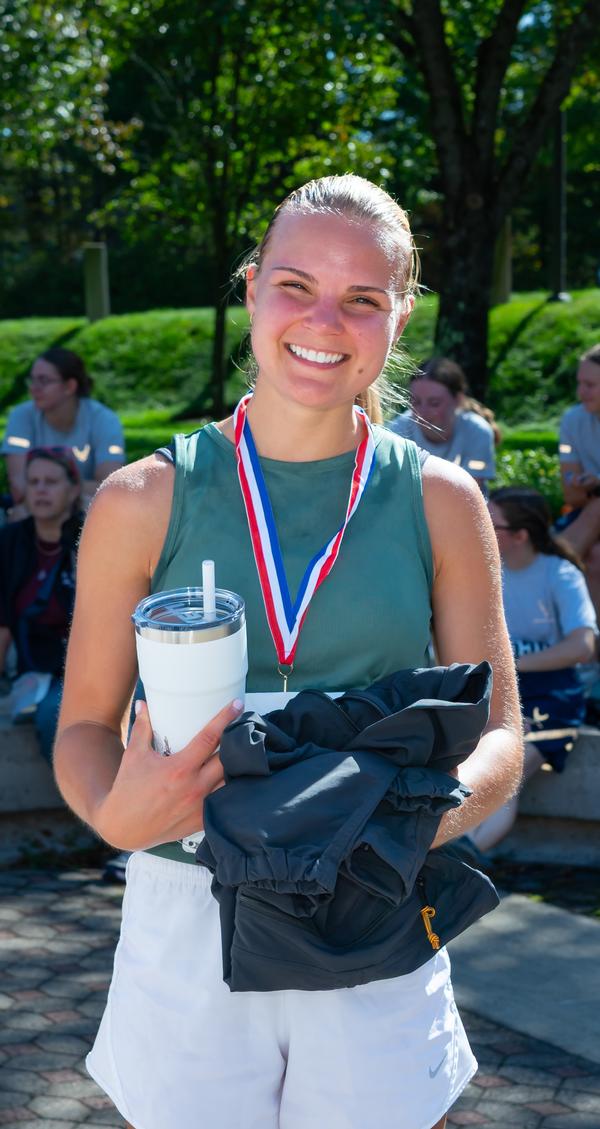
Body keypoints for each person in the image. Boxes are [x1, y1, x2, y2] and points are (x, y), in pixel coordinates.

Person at [54, 174, 522, 1129]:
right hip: (191, 906)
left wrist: (399, 826)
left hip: (368, 907)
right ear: (252, 286)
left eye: (363, 298)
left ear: (400, 317)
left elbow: (503, 737)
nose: (323, 320)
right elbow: (84, 727)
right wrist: (112, 811)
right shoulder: (142, 499)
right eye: (295, 285)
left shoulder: (441, 502)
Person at [467, 487, 598, 853]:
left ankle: (462, 862)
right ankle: (454, 866)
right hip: (495, 691)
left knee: (505, 771)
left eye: (491, 524)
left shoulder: (560, 574)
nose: (480, 528)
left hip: (553, 698)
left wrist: (514, 665)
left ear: (520, 535)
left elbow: (583, 646)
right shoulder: (483, 569)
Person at [0, 447, 83, 764]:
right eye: (33, 482)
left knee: (58, 713)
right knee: (52, 711)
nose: (41, 490)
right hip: (37, 671)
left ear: (73, 489)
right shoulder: (10, 542)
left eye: (51, 481)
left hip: (89, 665)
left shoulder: (90, 534)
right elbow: (3, 623)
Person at [1, 347, 125, 516]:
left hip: (85, 509)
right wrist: (67, 487)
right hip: (35, 511)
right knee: (19, 515)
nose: (34, 388)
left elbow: (111, 486)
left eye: (43, 381)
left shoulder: (104, 420)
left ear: (69, 386)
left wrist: (52, 489)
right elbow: (19, 488)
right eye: (32, 380)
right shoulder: (21, 417)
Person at [387, 356, 498, 492]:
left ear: (458, 400)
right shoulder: (399, 430)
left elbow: (473, 487)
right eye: (415, 402)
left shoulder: (477, 431)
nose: (423, 412)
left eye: (434, 403)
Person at [558, 344, 600, 617]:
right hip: (587, 511)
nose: (581, 392)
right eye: (579, 383)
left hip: (590, 510)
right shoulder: (573, 420)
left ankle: (558, 558)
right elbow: (570, 494)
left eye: (591, 384)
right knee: (595, 557)